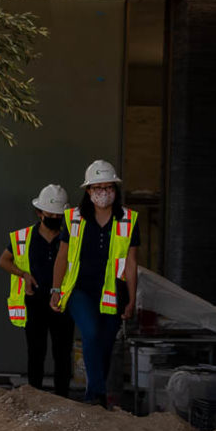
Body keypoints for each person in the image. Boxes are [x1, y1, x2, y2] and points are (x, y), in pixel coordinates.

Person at [50, 160, 140, 408]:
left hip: (114, 291)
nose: (103, 192)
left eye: (108, 187)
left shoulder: (128, 220)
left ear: (115, 189)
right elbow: (62, 255)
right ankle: (95, 395)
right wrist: (56, 289)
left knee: (106, 342)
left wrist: (133, 299)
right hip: (80, 289)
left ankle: (97, 393)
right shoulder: (74, 218)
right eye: (97, 187)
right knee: (90, 333)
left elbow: (131, 263)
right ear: (88, 191)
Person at [0, 184, 74, 397]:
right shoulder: (23, 237)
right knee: (36, 352)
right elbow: (3, 260)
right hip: (35, 301)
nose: (53, 218)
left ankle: (62, 397)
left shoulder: (70, 239)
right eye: (49, 214)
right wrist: (23, 274)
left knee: (62, 353)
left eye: (58, 215)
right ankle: (35, 395)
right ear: (39, 212)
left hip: (62, 302)